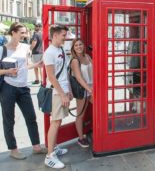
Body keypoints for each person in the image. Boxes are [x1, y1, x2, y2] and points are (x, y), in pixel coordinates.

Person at [0, 22, 47, 160]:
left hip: (23, 87)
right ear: (13, 32)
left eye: (25, 32)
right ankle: (13, 149)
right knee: (9, 120)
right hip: (8, 87)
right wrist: (7, 71)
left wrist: (37, 65)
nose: (24, 35)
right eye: (22, 32)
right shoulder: (2, 49)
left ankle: (36, 146)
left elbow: (25, 66)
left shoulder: (26, 47)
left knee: (31, 117)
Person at [43, 24, 72, 169]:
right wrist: (62, 94)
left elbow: (65, 72)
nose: (65, 38)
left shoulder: (60, 49)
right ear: (55, 35)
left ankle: (54, 148)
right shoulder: (49, 53)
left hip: (63, 90)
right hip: (56, 92)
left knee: (59, 120)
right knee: (55, 122)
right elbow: (51, 77)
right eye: (63, 35)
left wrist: (69, 90)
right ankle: (49, 156)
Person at [70, 38, 93, 148]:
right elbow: (79, 78)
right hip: (83, 90)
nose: (78, 47)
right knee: (80, 114)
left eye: (80, 44)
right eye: (76, 45)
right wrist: (89, 89)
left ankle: (96, 131)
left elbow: (95, 70)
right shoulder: (75, 60)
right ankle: (81, 138)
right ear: (73, 48)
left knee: (99, 109)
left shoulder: (87, 56)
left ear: (83, 45)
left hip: (92, 88)